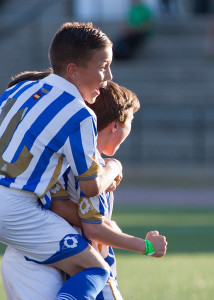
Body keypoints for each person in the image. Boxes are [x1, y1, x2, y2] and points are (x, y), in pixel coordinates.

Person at [1, 78, 168, 300]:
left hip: (35, 258)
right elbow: (93, 229)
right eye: (131, 121)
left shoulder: (57, 158)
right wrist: (146, 246)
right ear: (115, 124)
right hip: (75, 265)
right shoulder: (92, 167)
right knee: (98, 271)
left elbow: (60, 207)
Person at [0, 22, 125, 299]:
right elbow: (91, 187)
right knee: (95, 270)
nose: (108, 76)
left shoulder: (16, 91)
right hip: (16, 208)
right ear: (73, 70)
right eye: (103, 66)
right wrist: (113, 166)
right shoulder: (78, 113)